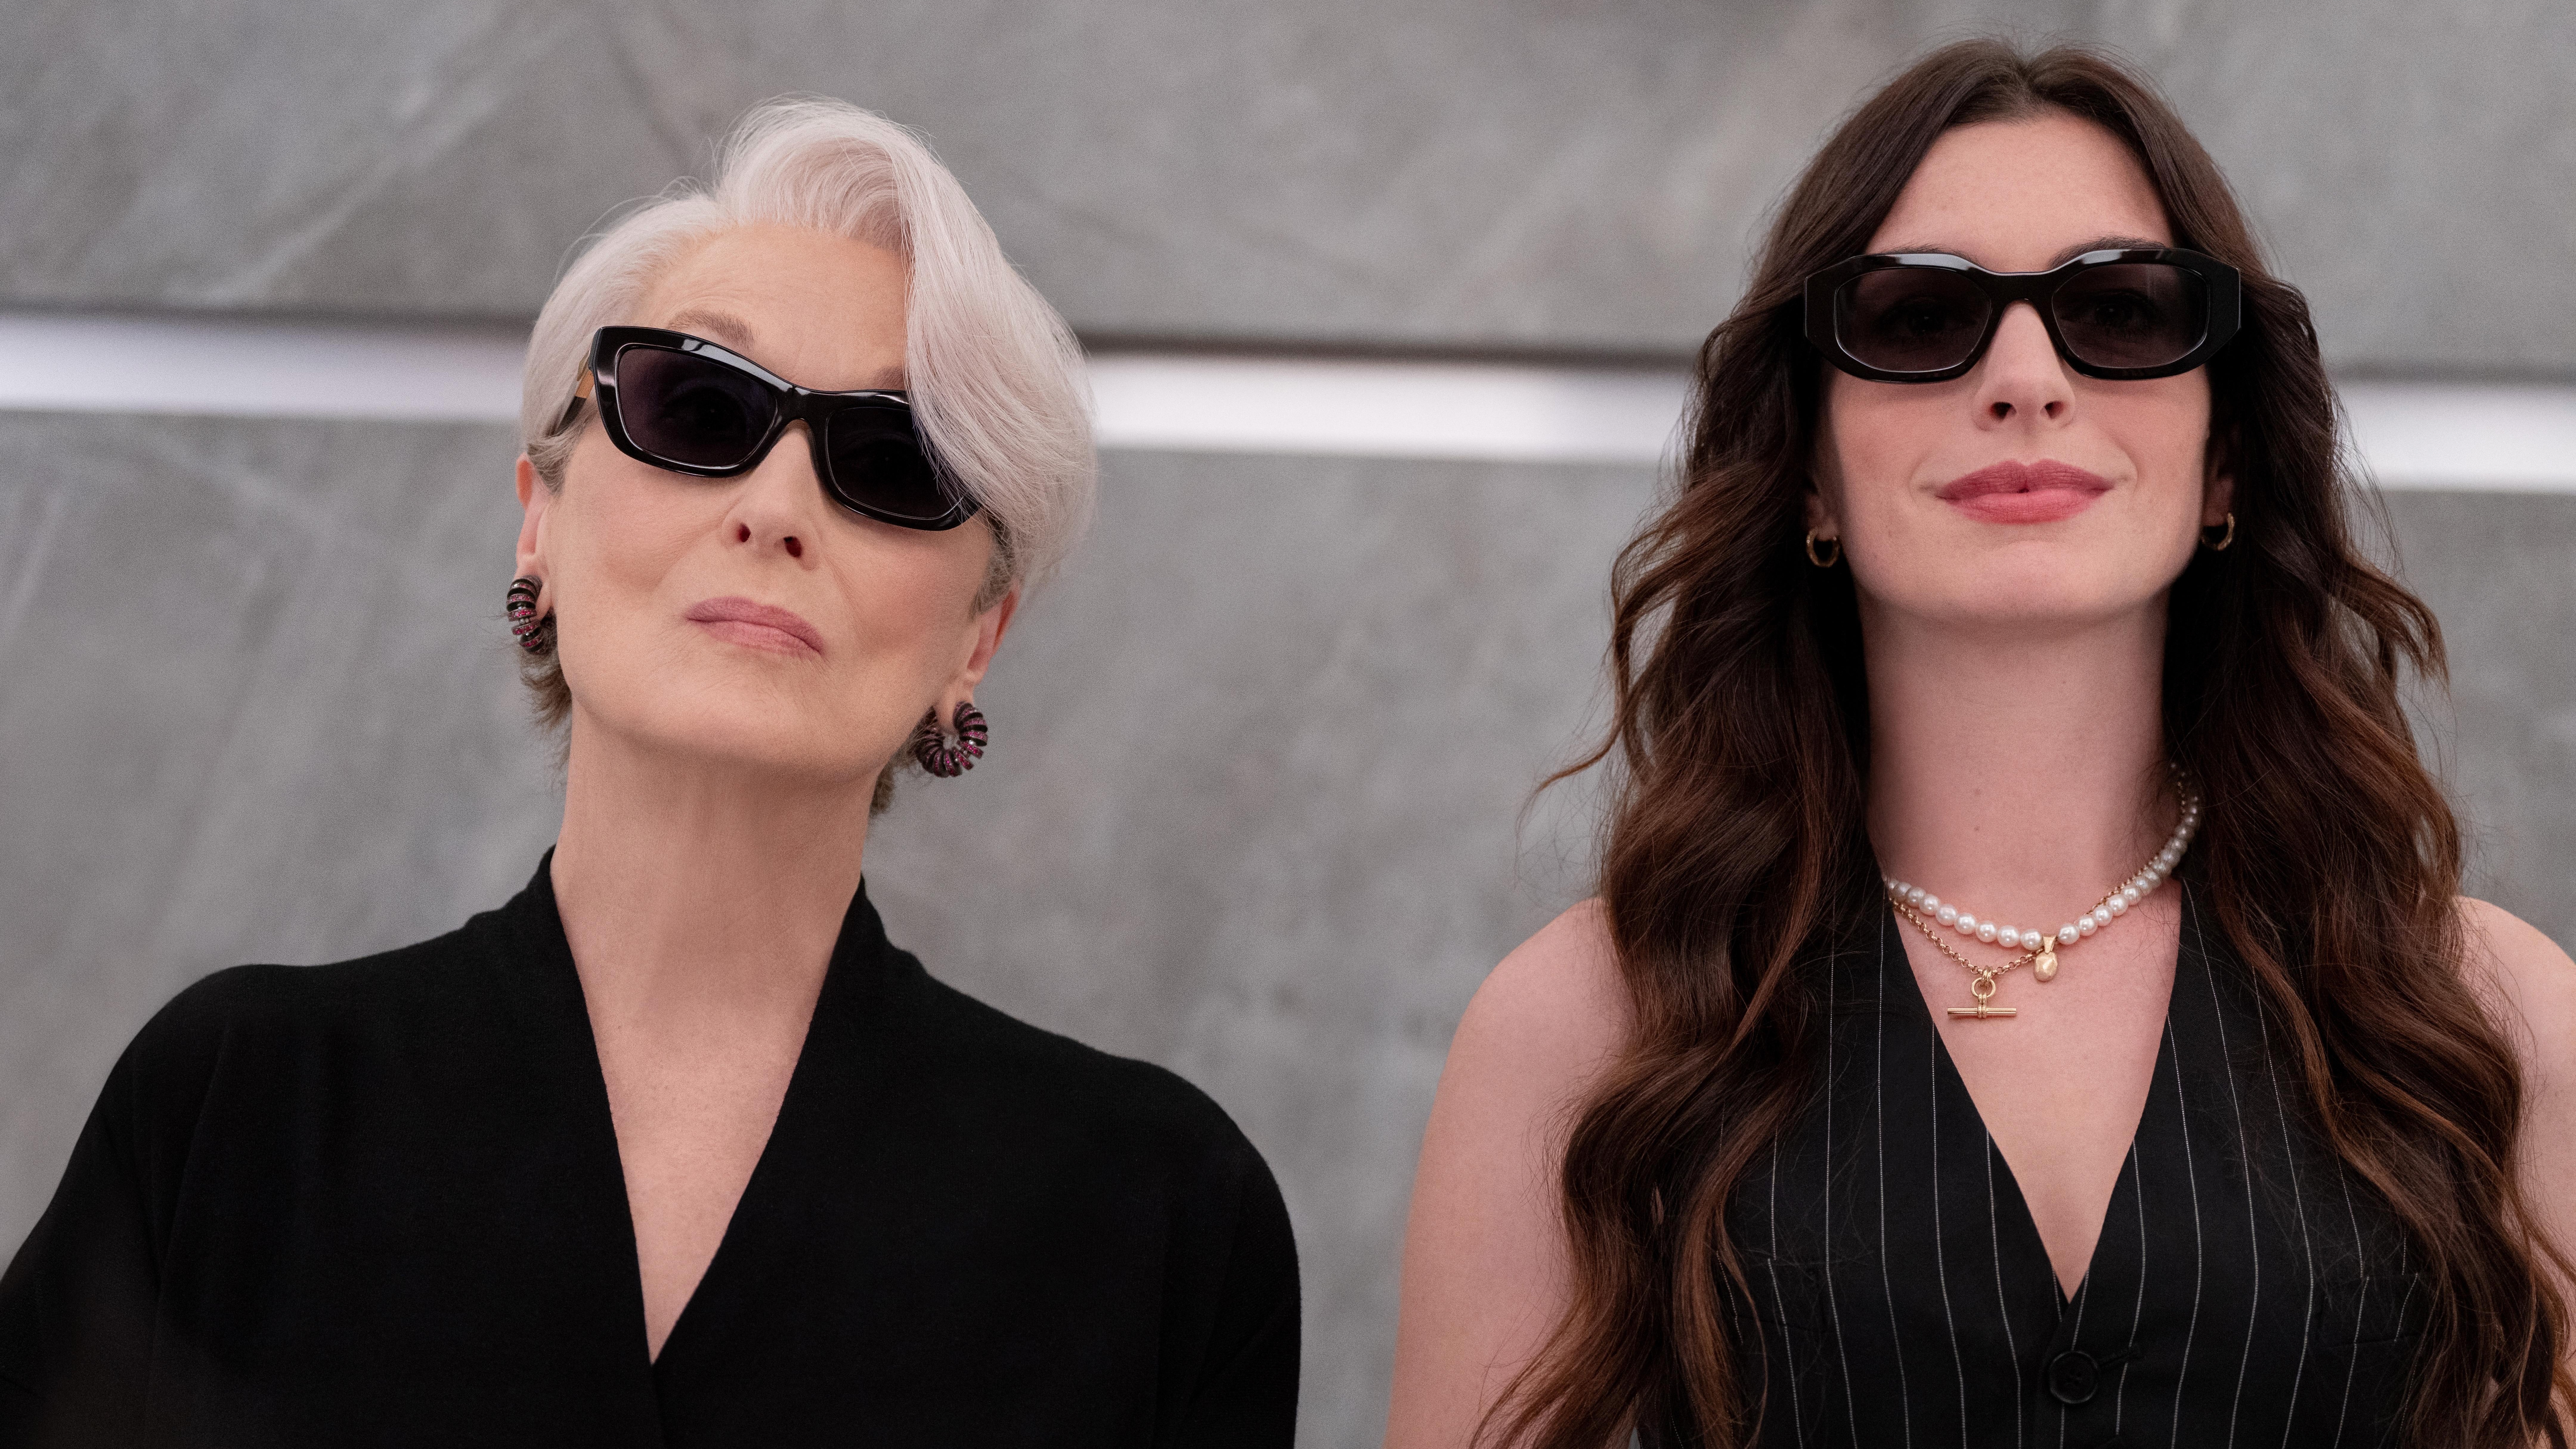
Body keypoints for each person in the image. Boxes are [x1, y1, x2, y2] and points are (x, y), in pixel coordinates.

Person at [0, 99, 1299, 1448]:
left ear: (978, 637)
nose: (778, 508)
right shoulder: (235, 1114)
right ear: (539, 523)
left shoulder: (1161, 1217)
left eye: (895, 459)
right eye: (698, 404)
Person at [1387, 40, 2572, 1449]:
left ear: (2230, 461)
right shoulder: (1585, 1027)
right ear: (1811, 468)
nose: (2025, 379)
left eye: (2123, 313)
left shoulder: (2482, 1014)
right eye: (1912, 317)